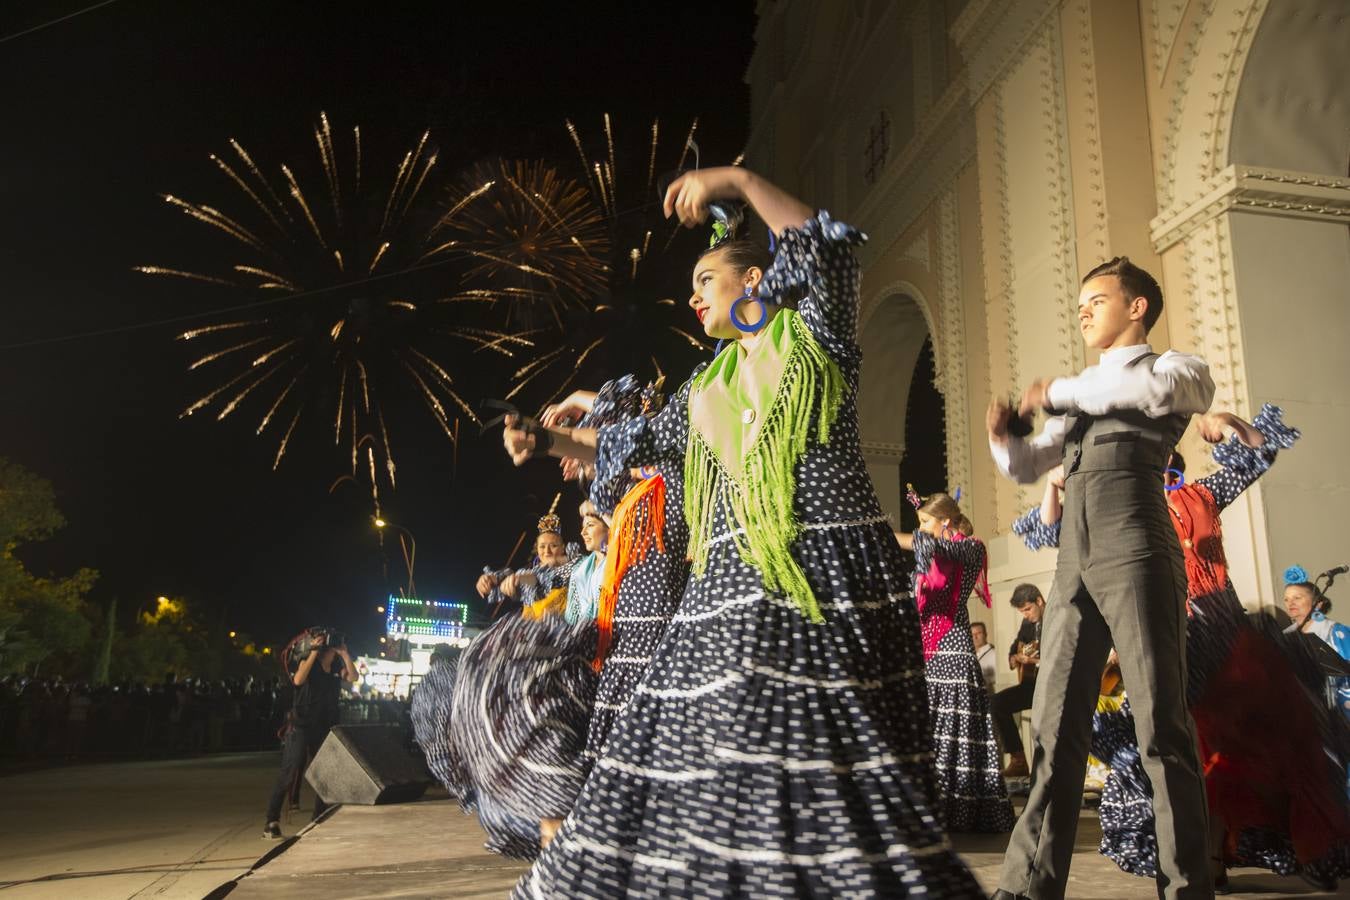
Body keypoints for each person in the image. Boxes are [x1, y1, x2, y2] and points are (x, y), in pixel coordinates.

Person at [500, 167, 979, 897]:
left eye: (706, 279)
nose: (692, 297)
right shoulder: (706, 387)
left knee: (820, 761)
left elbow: (825, 247)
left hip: (823, 571)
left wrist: (736, 179)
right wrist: (551, 444)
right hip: (729, 587)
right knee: (685, 746)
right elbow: (641, 446)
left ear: (755, 279)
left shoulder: (815, 334)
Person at [1013, 406, 1350, 890]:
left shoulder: (1201, 494)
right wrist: (1054, 483)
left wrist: (1231, 422)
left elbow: (1261, 453)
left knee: (1280, 739)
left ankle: (1311, 846)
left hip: (1232, 638)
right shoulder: (1117, 509)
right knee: (1197, 753)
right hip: (1172, 639)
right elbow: (1049, 534)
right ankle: (1206, 856)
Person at [988, 256, 1216, 900]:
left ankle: (1185, 887)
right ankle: (1027, 885)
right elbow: (1032, 463)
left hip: (1138, 547)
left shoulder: (1176, 368)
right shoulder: (1082, 388)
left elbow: (1144, 396)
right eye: (1082, 301)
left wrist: (1057, 391)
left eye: (1098, 298)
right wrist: (1004, 438)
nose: (1084, 309)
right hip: (1072, 561)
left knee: (1161, 728)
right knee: (1055, 727)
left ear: (1137, 306)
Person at [541, 376, 692, 763]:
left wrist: (576, 403)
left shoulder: (664, 482)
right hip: (626, 642)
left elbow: (629, 433)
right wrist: (577, 442)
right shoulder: (628, 501)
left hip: (654, 643)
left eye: (600, 437)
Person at [449, 504, 605, 859]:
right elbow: (511, 579)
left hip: (570, 661)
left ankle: (563, 828)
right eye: (543, 547)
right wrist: (491, 581)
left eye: (554, 545)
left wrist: (521, 580)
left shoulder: (575, 567)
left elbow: (540, 577)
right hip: (536, 668)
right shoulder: (528, 571)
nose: (549, 551)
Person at [895, 490, 1014, 832]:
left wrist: (912, 540)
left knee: (955, 731)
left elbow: (946, 548)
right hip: (928, 651)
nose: (921, 530)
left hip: (953, 646)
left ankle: (959, 808)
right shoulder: (930, 553)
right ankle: (931, 803)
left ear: (945, 521)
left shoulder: (969, 547)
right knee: (931, 727)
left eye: (925, 522)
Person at [263, 628, 357, 839]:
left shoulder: (335, 668)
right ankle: (271, 821)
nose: (333, 647)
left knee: (325, 774)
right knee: (290, 771)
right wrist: (314, 650)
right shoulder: (309, 663)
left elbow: (353, 677)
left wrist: (344, 653)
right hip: (301, 726)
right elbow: (298, 680)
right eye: (331, 645)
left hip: (324, 726)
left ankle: (318, 818)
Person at [990, 584, 1046, 778]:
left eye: (1028, 609)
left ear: (1039, 601)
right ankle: (1018, 759)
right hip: (1032, 685)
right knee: (996, 703)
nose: (1025, 615)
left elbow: (1063, 657)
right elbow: (1016, 646)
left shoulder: (1056, 619)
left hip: (1053, 686)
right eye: (1022, 611)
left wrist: (1036, 661)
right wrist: (1015, 658)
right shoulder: (1027, 624)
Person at [972, 622, 997, 691]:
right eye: (972, 634)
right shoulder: (969, 656)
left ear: (985, 634)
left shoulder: (994, 654)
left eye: (978, 633)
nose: (975, 637)